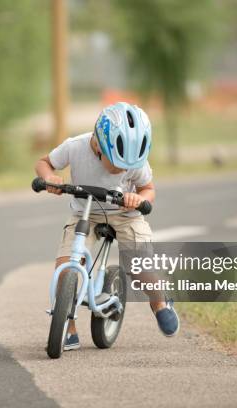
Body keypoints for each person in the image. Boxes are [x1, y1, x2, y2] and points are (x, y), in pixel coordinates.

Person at [34, 102, 179, 351]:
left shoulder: (134, 161)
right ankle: (67, 327)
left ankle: (159, 302)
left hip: (125, 214)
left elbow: (148, 188)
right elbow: (44, 162)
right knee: (66, 264)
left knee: (139, 266)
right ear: (99, 144)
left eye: (127, 166)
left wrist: (140, 199)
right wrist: (49, 178)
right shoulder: (75, 146)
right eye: (117, 164)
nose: (123, 170)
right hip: (85, 212)